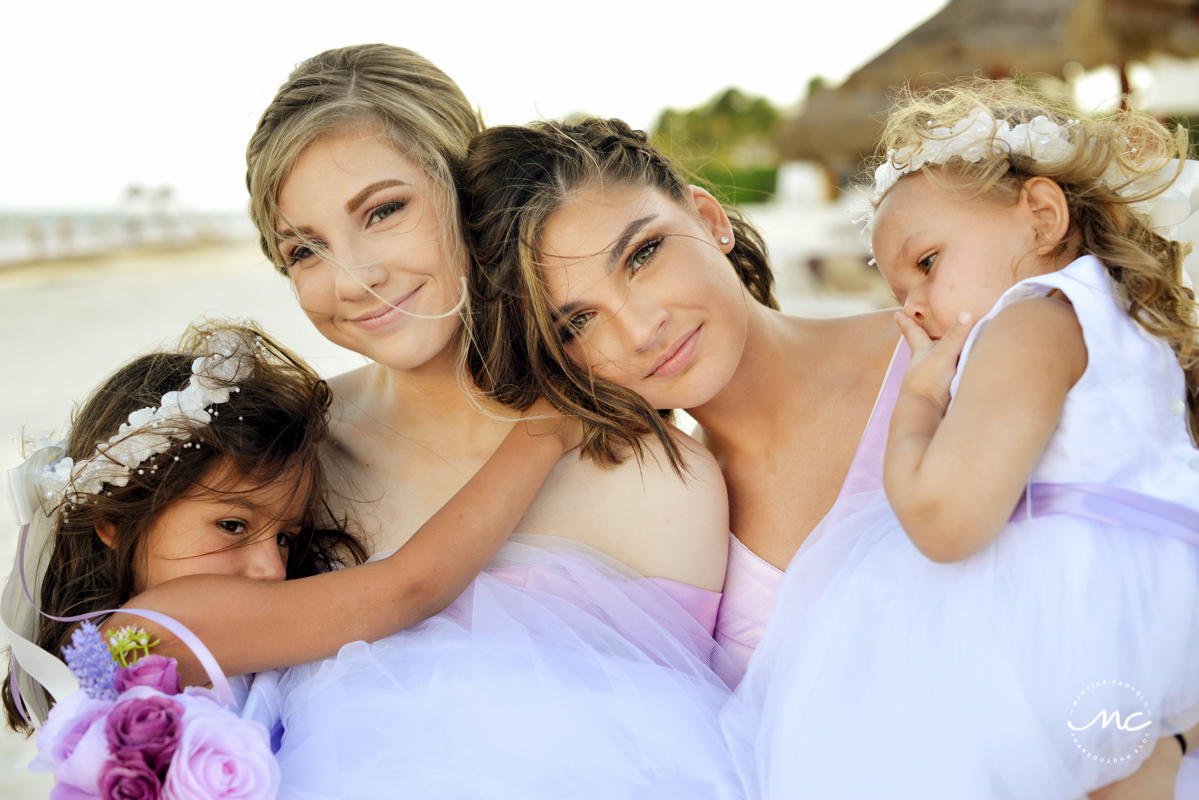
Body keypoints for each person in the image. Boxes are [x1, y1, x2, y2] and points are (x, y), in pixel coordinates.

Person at [458, 111, 1199, 797]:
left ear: (709, 218)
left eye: (643, 254)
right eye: (577, 320)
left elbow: (1157, 530)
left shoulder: (968, 339)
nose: (639, 328)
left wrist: (1150, 740)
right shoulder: (653, 516)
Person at [237, 44, 743, 797]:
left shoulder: (652, 472)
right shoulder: (282, 464)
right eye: (305, 249)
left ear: (465, 193)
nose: (356, 279)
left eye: (383, 211)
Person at [726, 81, 1199, 798]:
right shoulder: (1119, 321)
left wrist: (917, 398)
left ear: (1040, 216)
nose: (913, 308)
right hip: (1155, 611)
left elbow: (943, 521)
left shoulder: (1026, 320)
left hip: (1067, 623)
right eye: (897, 293)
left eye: (926, 263)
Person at [2, 321, 579, 733]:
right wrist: (545, 434)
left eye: (285, 537)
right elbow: (410, 588)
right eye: (232, 524)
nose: (271, 567)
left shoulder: (123, 646)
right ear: (111, 519)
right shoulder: (156, 631)